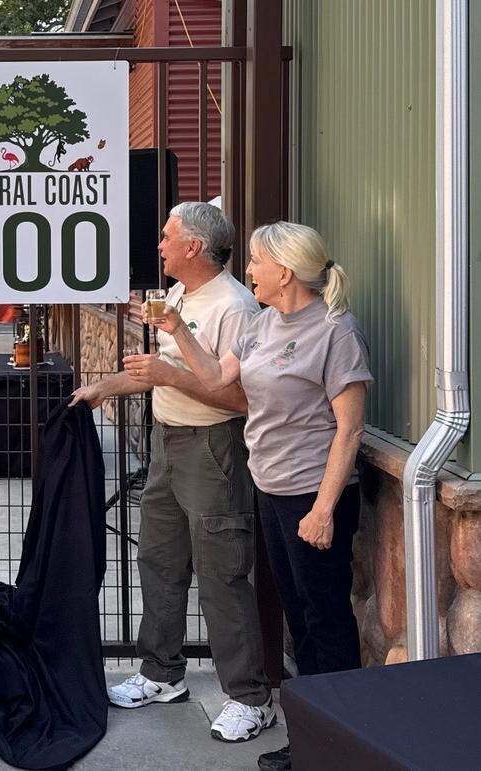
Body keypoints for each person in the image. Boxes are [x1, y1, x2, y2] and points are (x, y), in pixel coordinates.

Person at [145, 221, 372, 771]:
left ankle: (336, 748)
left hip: (313, 497)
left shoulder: (336, 330)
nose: (247, 270)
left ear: (285, 271)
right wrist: (176, 328)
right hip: (270, 489)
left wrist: (322, 509)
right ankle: (311, 741)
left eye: (254, 262)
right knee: (297, 616)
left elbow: (350, 429)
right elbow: (220, 379)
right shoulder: (266, 323)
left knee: (325, 620)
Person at [71, 202, 276, 743]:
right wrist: (104, 389)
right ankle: (162, 674)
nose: (158, 244)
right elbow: (164, 375)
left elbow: (238, 397)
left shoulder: (235, 307)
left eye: (167, 236)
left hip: (213, 448)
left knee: (222, 573)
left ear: (194, 248)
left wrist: (167, 373)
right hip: (167, 442)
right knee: (159, 561)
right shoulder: (181, 297)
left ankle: (250, 698)